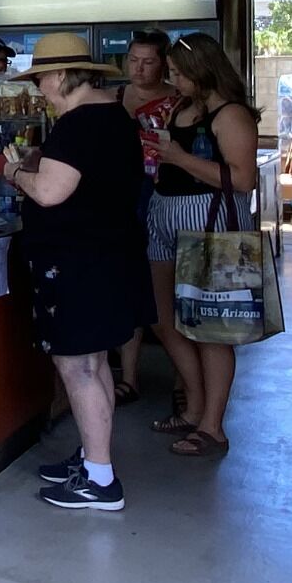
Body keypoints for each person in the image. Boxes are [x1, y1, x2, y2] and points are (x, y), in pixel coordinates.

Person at [3, 31, 150, 512]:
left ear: (63, 76)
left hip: (78, 263)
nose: (39, 88)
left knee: (78, 365)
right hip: (109, 256)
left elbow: (50, 193)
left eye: (42, 78)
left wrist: (15, 174)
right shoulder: (114, 118)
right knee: (96, 361)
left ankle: (101, 480)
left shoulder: (78, 125)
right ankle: (93, 460)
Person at [147, 34, 262, 457]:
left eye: (178, 73)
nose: (172, 80)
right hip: (166, 213)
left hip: (210, 221)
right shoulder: (181, 107)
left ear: (202, 71)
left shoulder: (230, 115)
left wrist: (178, 158)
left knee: (212, 328)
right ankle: (194, 406)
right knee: (164, 317)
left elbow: (243, 179)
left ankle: (213, 425)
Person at [112, 28, 182, 411]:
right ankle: (129, 377)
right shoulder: (115, 97)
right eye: (133, 60)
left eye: (148, 61)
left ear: (163, 63)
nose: (139, 69)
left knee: (169, 292)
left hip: (165, 195)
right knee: (129, 283)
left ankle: (183, 379)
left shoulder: (178, 100)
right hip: (125, 197)